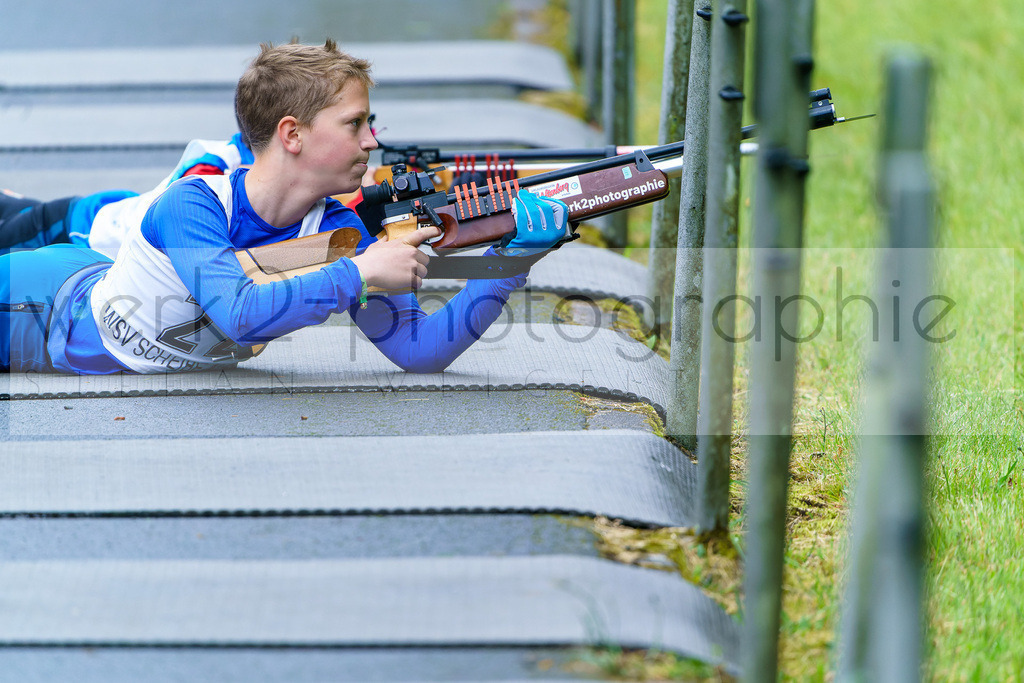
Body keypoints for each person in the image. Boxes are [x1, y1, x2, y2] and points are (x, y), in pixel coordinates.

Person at [1, 40, 568, 375]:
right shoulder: (195, 204)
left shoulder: (341, 230)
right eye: (355, 124)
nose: (373, 141)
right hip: (37, 310)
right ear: (292, 134)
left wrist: (507, 265)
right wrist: (360, 273)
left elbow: (419, 350)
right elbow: (239, 315)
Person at [0, 134, 254, 258]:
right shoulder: (213, 172)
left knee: (18, 211)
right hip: (73, 229)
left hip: (97, 210)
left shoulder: (245, 158)